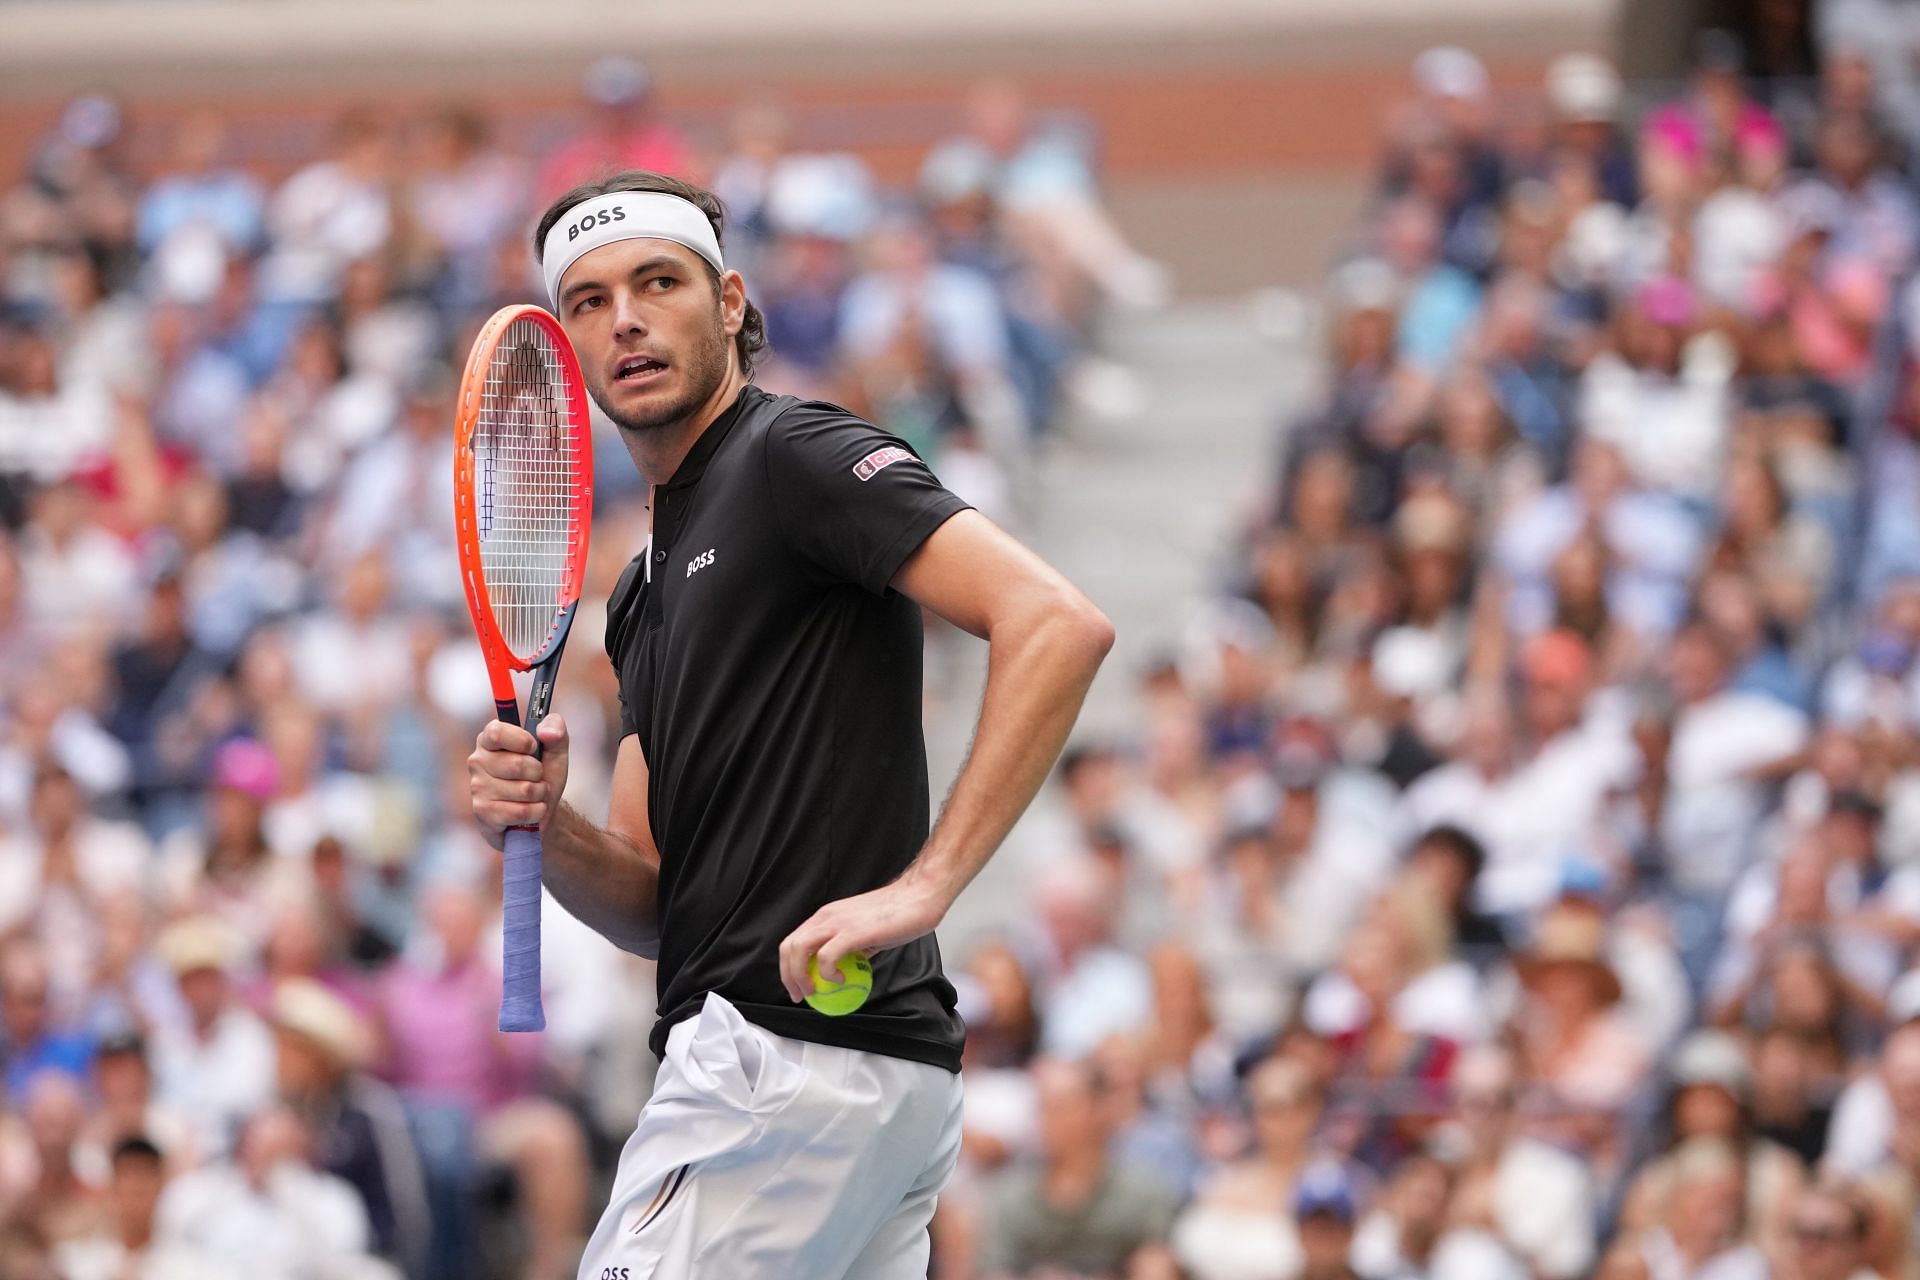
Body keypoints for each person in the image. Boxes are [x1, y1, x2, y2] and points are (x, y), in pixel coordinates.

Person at [467, 170, 1113, 1277]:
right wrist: (548, 824)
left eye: (658, 282)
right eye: (587, 299)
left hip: (787, 1063)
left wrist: (928, 883)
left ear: (729, 305)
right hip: (852, 1081)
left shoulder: (796, 455)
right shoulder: (639, 594)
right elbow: (660, 903)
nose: (624, 318)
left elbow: (1056, 621)